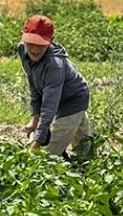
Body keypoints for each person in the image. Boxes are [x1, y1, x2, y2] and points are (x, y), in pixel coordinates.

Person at [18, 15, 91, 161]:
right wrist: (34, 119)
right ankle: (90, 163)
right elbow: (34, 86)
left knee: (47, 156)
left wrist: (37, 141)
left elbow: (49, 106)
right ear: (23, 38)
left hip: (73, 100)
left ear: (51, 41)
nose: (35, 49)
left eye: (41, 44)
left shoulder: (54, 64)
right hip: (58, 97)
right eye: (31, 43)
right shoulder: (22, 50)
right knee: (87, 150)